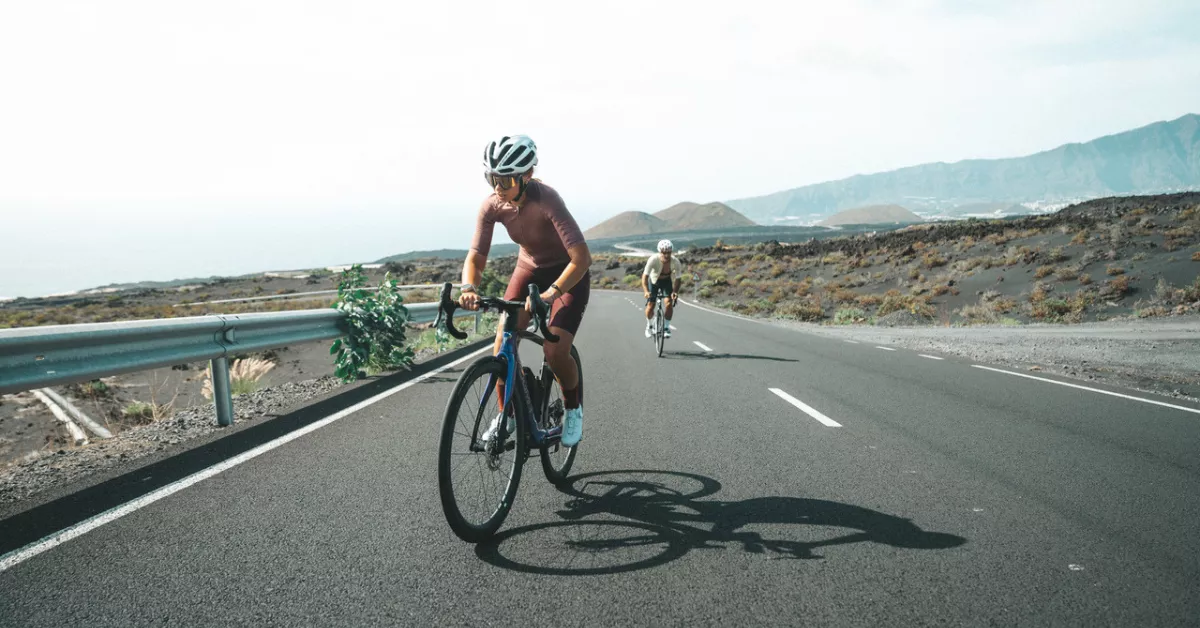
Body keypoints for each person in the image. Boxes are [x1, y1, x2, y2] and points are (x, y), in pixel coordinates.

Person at [457, 135, 591, 447]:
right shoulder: (492, 206)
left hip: (567, 274)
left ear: (526, 176)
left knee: (555, 351)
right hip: (529, 268)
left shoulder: (547, 200)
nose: (497, 188)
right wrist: (468, 287)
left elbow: (581, 258)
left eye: (504, 179)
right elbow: (476, 256)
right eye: (492, 178)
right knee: (502, 342)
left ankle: (573, 409)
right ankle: (508, 416)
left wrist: (552, 293)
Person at [642, 239, 681, 337]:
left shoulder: (676, 262)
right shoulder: (653, 259)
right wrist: (646, 291)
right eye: (664, 253)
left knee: (669, 303)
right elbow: (645, 276)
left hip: (666, 281)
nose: (667, 255)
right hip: (654, 281)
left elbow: (678, 279)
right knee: (651, 304)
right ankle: (649, 326)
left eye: (669, 252)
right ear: (660, 252)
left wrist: (675, 292)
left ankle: (666, 328)